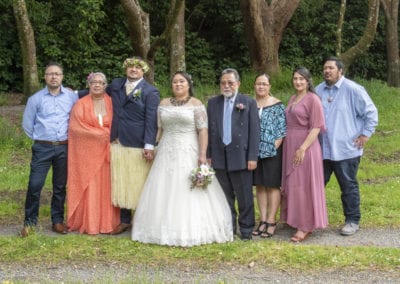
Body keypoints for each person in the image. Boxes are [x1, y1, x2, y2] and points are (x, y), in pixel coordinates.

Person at [131, 71, 233, 246]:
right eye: (175, 82)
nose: (178, 84)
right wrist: (152, 145)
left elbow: (203, 130)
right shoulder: (163, 103)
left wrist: (202, 154)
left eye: (182, 82)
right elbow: (159, 128)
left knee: (188, 187)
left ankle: (194, 229)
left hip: (189, 149)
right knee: (163, 187)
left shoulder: (196, 104)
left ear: (188, 85)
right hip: (166, 150)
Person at [315, 57, 378, 236]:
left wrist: (365, 134)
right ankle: (310, 219)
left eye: (331, 68)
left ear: (340, 71)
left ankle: (352, 221)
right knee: (316, 185)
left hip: (346, 149)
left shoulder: (353, 89)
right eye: (325, 68)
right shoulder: (318, 90)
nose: (327, 71)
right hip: (323, 150)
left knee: (348, 186)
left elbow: (371, 112)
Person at [21, 62, 78, 237]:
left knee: (60, 186)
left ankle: (57, 221)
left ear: (62, 77)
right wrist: (42, 139)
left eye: (57, 74)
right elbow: (27, 125)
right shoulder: (35, 99)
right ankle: (30, 223)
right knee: (34, 185)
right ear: (45, 77)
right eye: (50, 74)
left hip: (64, 147)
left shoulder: (71, 97)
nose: (53, 76)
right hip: (42, 148)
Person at [106, 57, 160, 235]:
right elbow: (96, 91)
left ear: (143, 71)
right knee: (122, 180)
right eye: (130, 67)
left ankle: (142, 219)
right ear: (125, 69)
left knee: (140, 182)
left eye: (138, 67)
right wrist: (73, 93)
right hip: (118, 140)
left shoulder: (150, 91)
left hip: (138, 142)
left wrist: (149, 144)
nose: (134, 70)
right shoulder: (116, 84)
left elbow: (151, 120)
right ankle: (124, 220)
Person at [207, 68, 260, 240]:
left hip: (242, 157)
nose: (226, 86)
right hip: (219, 156)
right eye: (223, 82)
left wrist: (252, 157)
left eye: (230, 82)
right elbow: (209, 130)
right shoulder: (213, 103)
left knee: (244, 195)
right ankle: (228, 227)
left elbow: (255, 132)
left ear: (238, 84)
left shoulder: (248, 102)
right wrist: (209, 154)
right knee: (224, 196)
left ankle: (246, 229)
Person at [67, 72, 120, 234]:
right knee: (91, 188)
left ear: (105, 86)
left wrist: (111, 136)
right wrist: (101, 134)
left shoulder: (112, 103)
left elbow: (119, 123)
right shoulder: (80, 104)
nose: (97, 85)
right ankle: (90, 222)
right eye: (94, 82)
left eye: (101, 83)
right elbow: (75, 128)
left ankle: (107, 222)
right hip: (88, 156)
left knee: (108, 188)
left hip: (107, 155)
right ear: (88, 85)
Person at [281, 67, 328, 242]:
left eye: (301, 79)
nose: (298, 82)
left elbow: (316, 127)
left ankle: (305, 225)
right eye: (295, 79)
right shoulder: (293, 98)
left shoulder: (313, 99)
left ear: (308, 81)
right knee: (293, 184)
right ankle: (295, 218)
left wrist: (302, 148)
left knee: (304, 185)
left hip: (306, 146)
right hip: (290, 144)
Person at [252, 74, 286, 238]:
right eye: (258, 84)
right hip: (253, 152)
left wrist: (271, 149)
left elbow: (281, 131)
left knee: (272, 185)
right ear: (254, 86)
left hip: (272, 151)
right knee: (259, 185)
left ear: (270, 86)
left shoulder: (277, 104)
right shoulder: (250, 104)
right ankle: (263, 219)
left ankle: (272, 221)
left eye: (264, 84)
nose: (261, 87)